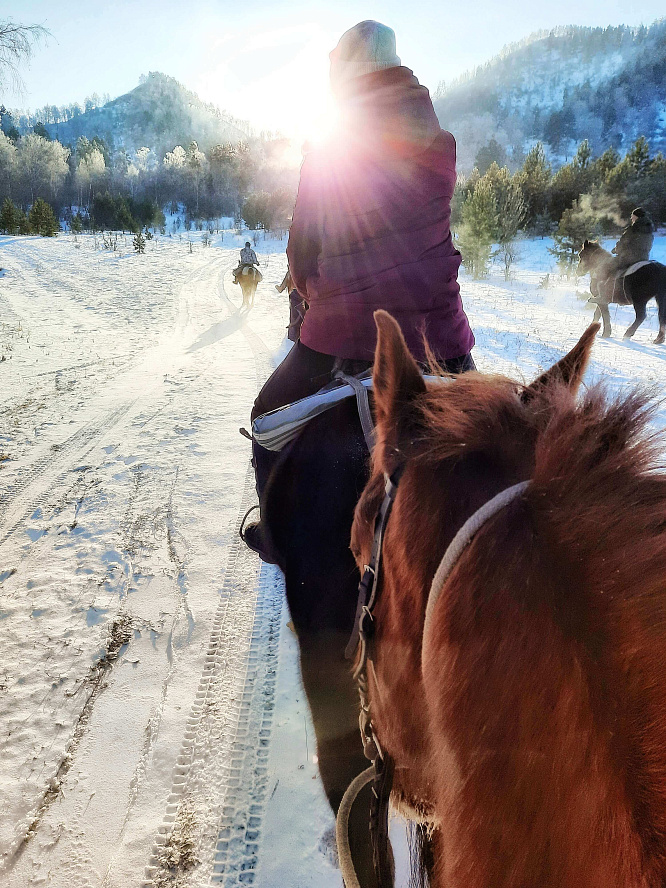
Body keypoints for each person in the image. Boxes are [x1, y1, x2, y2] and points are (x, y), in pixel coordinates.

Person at [242, 20, 475, 561]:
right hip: (439, 340)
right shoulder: (440, 145)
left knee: (265, 426)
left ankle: (277, 536)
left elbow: (302, 251)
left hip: (343, 337)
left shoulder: (329, 146)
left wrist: (309, 298)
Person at [595, 208, 655, 303]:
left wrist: (616, 250)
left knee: (607, 266)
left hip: (629, 258)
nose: (631, 219)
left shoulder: (633, 229)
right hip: (643, 258)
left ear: (636, 217)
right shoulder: (649, 230)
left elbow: (623, 242)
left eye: (632, 217)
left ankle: (604, 295)